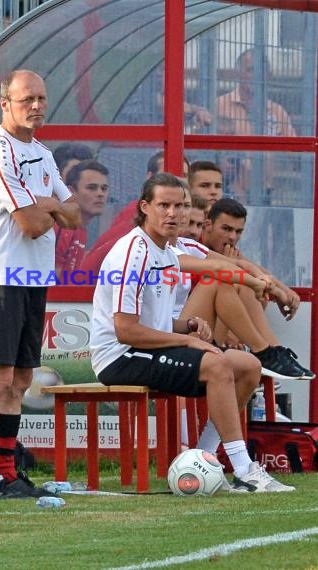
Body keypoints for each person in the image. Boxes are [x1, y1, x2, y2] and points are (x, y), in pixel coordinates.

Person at [90, 171, 294, 492]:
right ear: (145, 207)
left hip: (147, 348)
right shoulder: (133, 252)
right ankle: (245, 470)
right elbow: (126, 331)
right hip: (119, 357)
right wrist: (186, 339)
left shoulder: (168, 251)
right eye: (164, 206)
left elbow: (221, 268)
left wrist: (185, 325)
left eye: (181, 206)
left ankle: (204, 459)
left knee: (248, 367)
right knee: (216, 363)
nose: (173, 214)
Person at [0, 69, 81, 499]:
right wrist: (52, 205)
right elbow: (34, 225)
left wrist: (48, 205)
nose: (35, 106)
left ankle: (6, 471)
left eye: (41, 99)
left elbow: (75, 216)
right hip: (1, 275)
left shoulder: (43, 153)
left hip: (35, 278)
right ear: (5, 103)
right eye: (26, 99)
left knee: (20, 379)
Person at [200, 198, 314, 379]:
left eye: (238, 232)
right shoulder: (188, 246)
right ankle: (266, 352)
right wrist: (276, 291)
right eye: (226, 229)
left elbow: (248, 266)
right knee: (230, 279)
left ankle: (273, 351)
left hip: (209, 330)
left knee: (242, 281)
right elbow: (234, 270)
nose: (232, 237)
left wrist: (282, 290)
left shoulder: (223, 251)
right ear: (208, 225)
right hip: (190, 329)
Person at [80, 151, 189, 275]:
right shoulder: (137, 216)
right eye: (164, 177)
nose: (174, 183)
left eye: (184, 176)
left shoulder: (185, 240)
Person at [216, 48, 296, 203]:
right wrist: (220, 159)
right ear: (239, 74)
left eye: (261, 71)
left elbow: (294, 152)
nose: (256, 76)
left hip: (264, 191)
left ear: (268, 76)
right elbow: (201, 148)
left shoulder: (277, 111)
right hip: (228, 190)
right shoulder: (220, 105)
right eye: (250, 70)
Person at [55, 159, 109, 276]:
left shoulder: (80, 229)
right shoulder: (62, 227)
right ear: (71, 192)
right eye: (92, 187)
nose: (100, 194)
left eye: (104, 188)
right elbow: (51, 285)